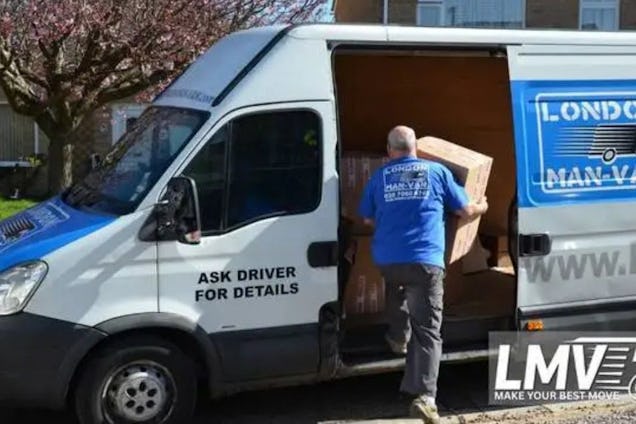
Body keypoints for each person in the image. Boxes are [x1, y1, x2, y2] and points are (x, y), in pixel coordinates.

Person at [357, 126, 488, 424]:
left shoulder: (379, 176)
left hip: (388, 260)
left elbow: (365, 217)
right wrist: (483, 206)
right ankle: (426, 398)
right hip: (425, 262)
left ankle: (397, 337)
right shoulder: (437, 172)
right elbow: (466, 208)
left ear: (390, 151)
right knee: (427, 329)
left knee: (397, 286)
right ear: (416, 147)